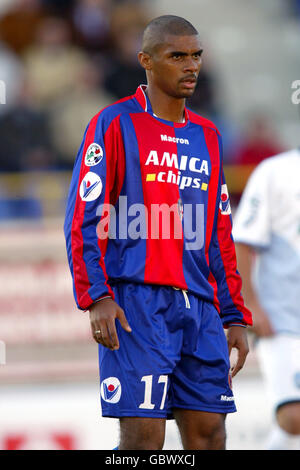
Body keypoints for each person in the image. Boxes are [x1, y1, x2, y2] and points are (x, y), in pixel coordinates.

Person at [64, 15, 252, 450]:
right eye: (177, 56)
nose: (191, 66)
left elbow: (218, 231)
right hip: (137, 304)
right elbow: (83, 217)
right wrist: (97, 296)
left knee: (210, 436)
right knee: (143, 442)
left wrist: (234, 312)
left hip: (200, 308)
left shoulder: (209, 135)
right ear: (146, 61)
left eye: (196, 56)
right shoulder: (114, 123)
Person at [233, 147, 300, 450]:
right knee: (293, 416)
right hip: (284, 315)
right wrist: (251, 304)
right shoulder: (275, 171)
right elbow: (243, 240)